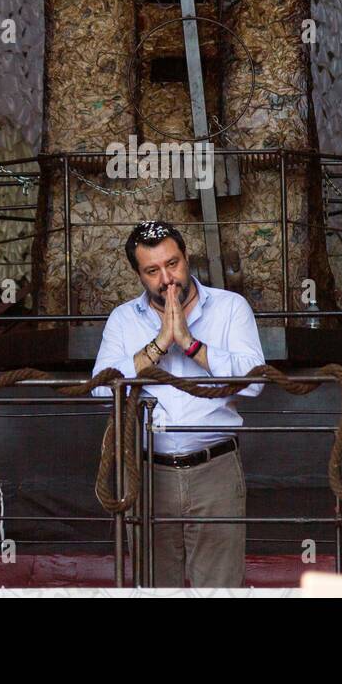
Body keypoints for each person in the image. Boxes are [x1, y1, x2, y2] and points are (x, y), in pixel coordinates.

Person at [92, 220, 264, 587]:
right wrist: (157, 346)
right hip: (147, 475)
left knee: (219, 590)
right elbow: (101, 390)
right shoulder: (123, 320)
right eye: (152, 271)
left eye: (173, 264)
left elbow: (254, 383)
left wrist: (189, 344)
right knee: (154, 588)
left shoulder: (231, 308)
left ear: (187, 258)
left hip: (214, 469)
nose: (166, 279)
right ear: (138, 274)